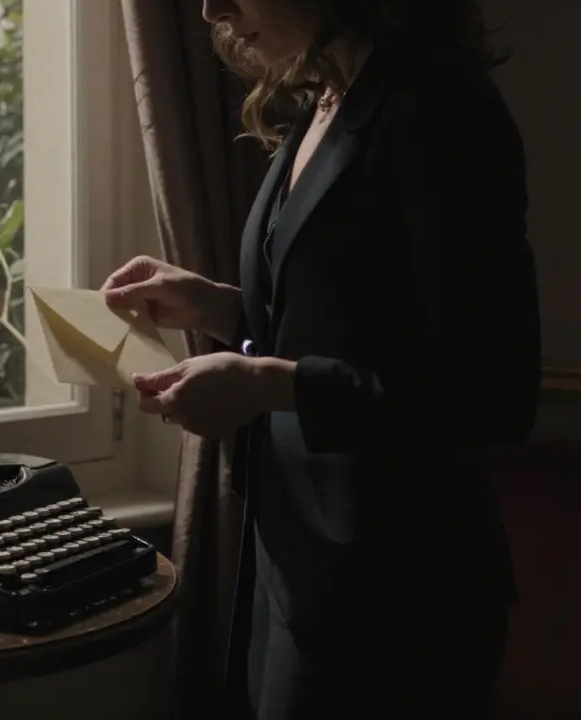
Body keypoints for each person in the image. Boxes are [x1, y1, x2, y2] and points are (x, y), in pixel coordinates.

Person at [101, 0, 541, 717]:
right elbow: (345, 323)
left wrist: (269, 384)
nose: (211, 9)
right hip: (296, 565)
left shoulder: (440, 106)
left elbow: (495, 391)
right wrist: (216, 306)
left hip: (400, 596)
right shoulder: (327, 97)